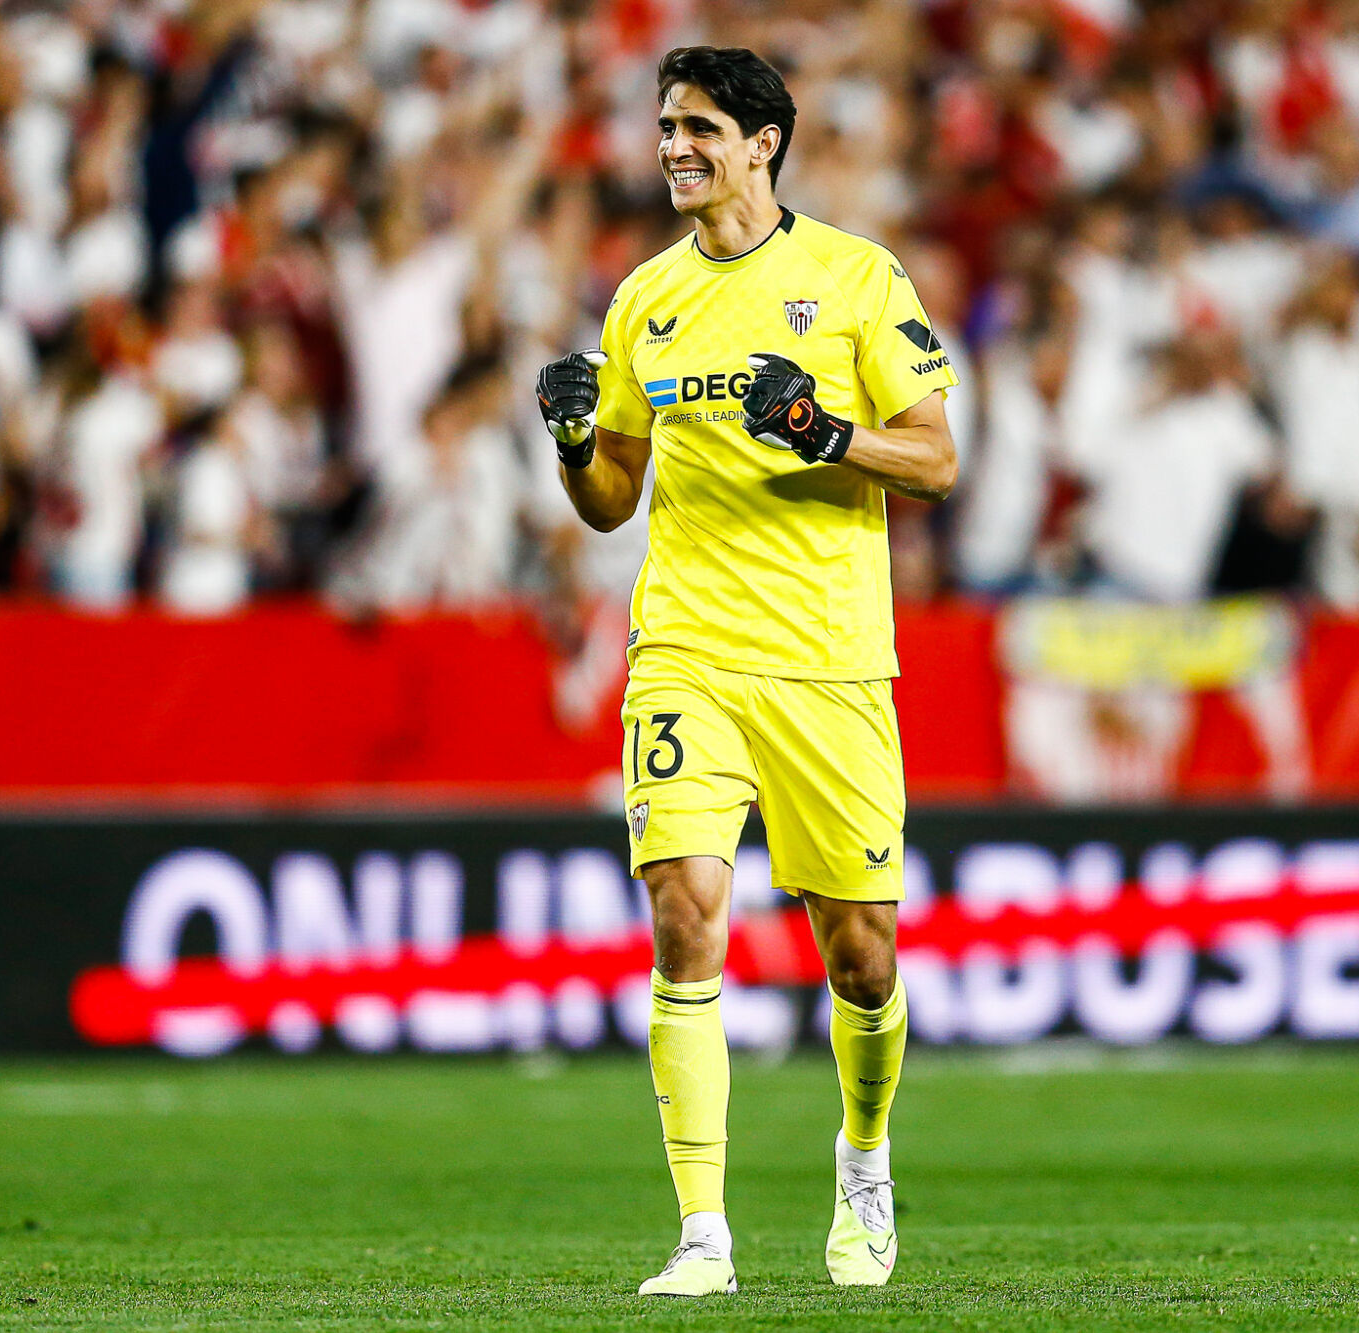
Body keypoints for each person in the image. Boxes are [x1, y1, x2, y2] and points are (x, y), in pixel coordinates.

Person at [533, 46, 957, 1297]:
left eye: (699, 128)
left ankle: (863, 1160)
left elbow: (935, 461)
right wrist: (574, 442)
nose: (674, 147)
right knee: (682, 912)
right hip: (686, 650)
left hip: (828, 658)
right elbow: (612, 498)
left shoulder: (856, 277)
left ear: (762, 143)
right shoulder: (643, 299)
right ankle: (701, 1235)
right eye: (667, 126)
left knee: (859, 955)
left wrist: (822, 430)